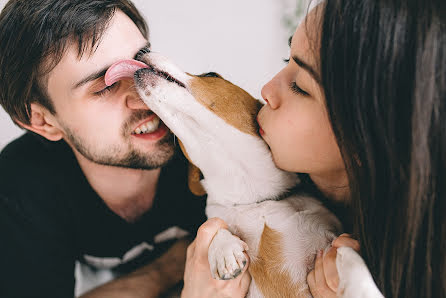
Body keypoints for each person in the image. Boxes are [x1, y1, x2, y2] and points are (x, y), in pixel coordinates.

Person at [182, 0, 445, 297]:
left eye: (301, 86)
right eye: (286, 60)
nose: (267, 89)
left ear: (366, 139)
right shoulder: (222, 203)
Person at [0, 1, 207, 297]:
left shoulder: (208, 134)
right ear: (43, 121)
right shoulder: (20, 185)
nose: (146, 97)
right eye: (104, 87)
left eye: (142, 62)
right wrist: (172, 265)